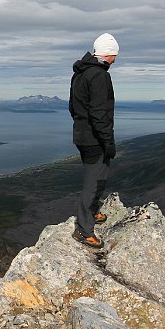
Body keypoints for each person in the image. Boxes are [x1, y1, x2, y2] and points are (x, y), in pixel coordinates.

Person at [69, 32, 118, 248]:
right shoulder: (99, 75)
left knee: (99, 176)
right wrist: (107, 141)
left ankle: (93, 212)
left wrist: (83, 126)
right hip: (94, 138)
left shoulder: (80, 73)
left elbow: (73, 106)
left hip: (82, 134)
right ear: (110, 53)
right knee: (94, 181)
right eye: (116, 53)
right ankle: (84, 230)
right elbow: (100, 113)